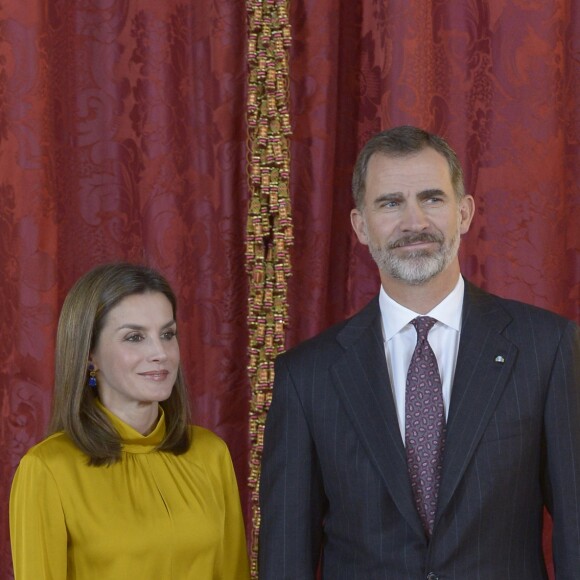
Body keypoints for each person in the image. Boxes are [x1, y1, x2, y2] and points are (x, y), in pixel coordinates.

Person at [258, 126, 580, 579]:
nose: (414, 222)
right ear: (360, 226)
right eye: (390, 203)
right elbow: (286, 556)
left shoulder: (546, 347)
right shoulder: (306, 375)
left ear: (464, 213)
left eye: (432, 198)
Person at [10, 262, 250, 579]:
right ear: (89, 355)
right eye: (135, 337)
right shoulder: (47, 468)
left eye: (167, 334)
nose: (160, 353)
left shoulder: (210, 453)